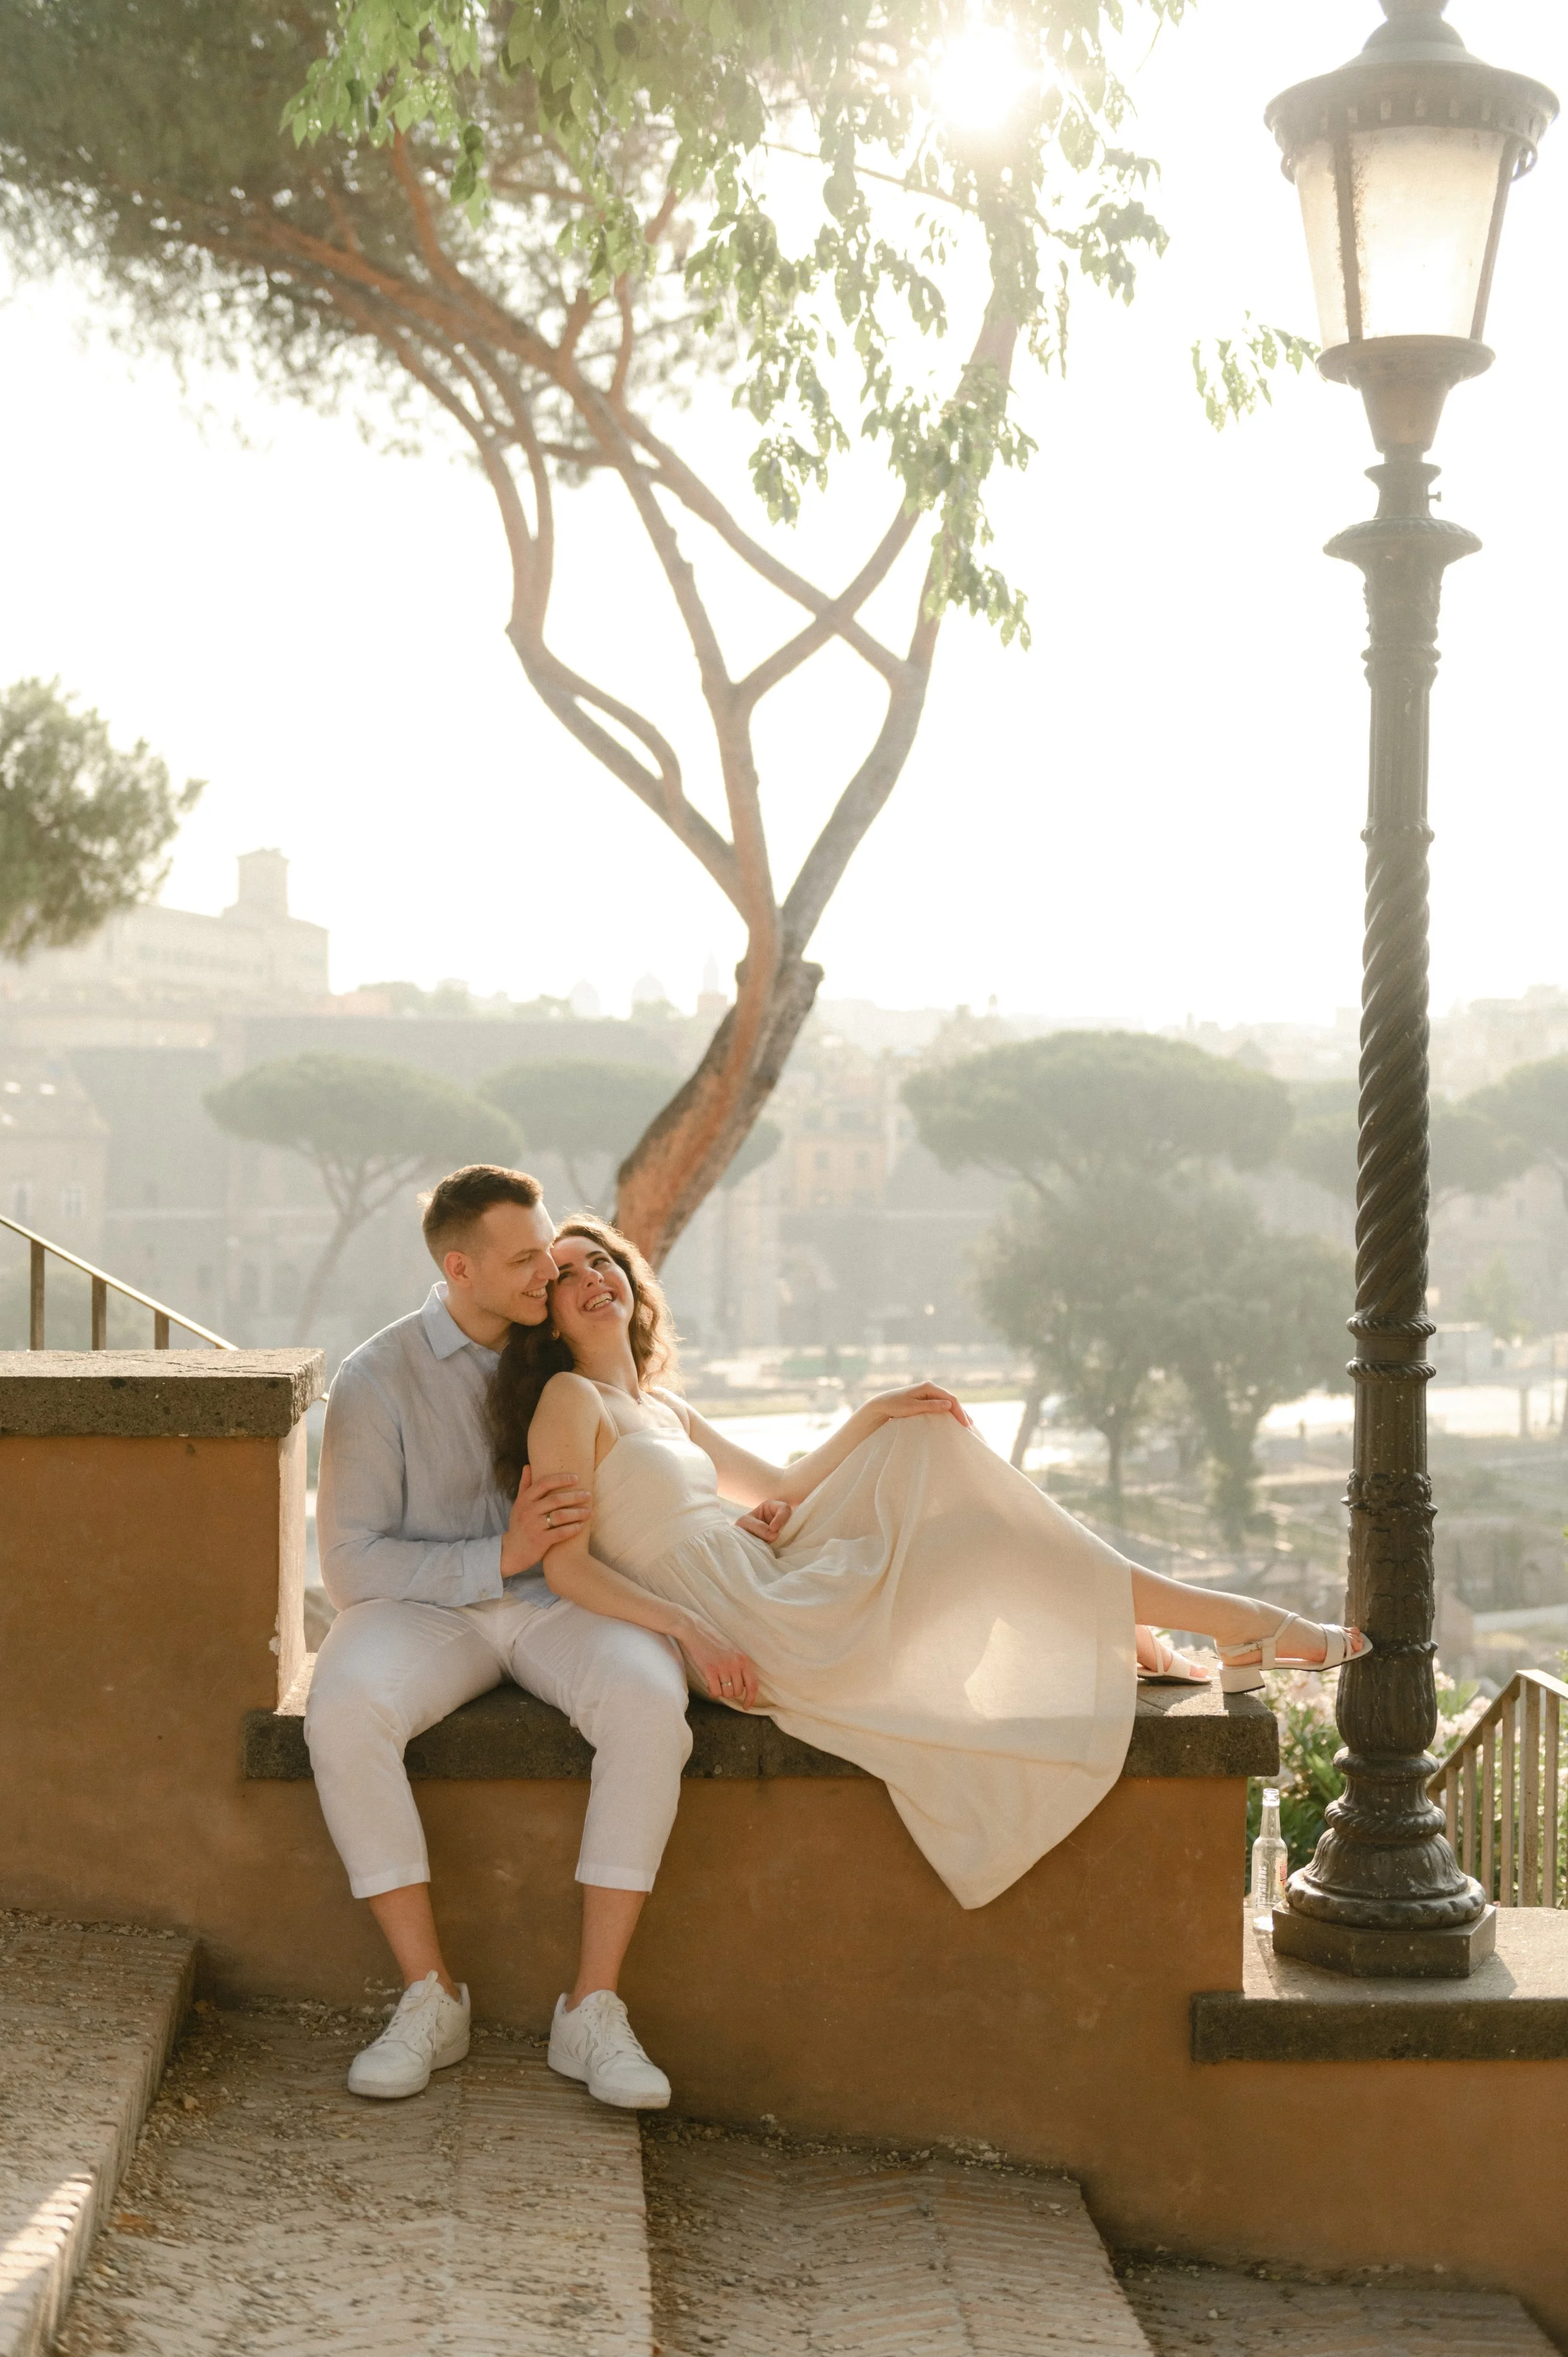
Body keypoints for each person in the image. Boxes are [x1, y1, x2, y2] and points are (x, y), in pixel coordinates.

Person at [499, 1216, 1371, 1912]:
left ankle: (1195, 1627)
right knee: (982, 1541)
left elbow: (783, 1487)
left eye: (602, 1260)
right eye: (566, 1275)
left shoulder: (666, 1408)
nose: (591, 1277)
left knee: (940, 1469)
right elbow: (569, 1568)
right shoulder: (568, 1400)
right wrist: (688, 1628)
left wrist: (877, 1410)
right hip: (741, 1622)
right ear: (548, 1314)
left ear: (631, 1282)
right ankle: (1234, 1626)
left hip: (758, 1581)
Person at [308, 1165, 711, 2109]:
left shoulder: (564, 1341)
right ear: (460, 1268)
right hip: (424, 1611)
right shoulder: (376, 1376)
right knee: (344, 1709)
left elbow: (664, 1448)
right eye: (526, 1258)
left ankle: (593, 2009)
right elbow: (352, 1566)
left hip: (563, 1604)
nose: (550, 1271)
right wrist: (500, 1554)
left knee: (652, 1701)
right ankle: (429, 1997)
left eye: (549, 1251)